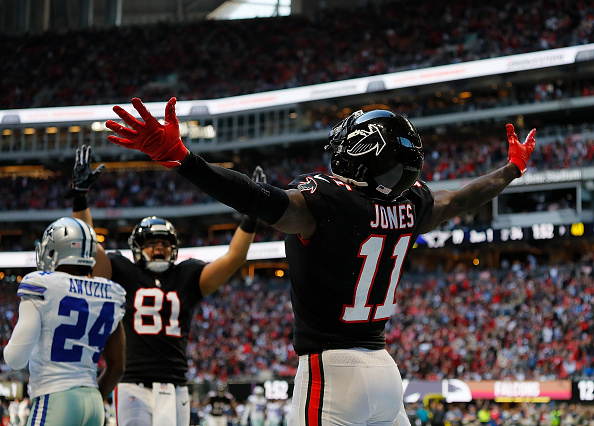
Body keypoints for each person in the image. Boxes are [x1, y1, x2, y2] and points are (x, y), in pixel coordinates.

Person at [105, 97, 536, 425]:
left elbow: (257, 197)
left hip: (331, 372)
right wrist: (510, 170)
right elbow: (461, 198)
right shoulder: (413, 204)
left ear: (362, 153)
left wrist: (185, 160)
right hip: (385, 371)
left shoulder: (329, 201)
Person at [70, 145, 261, 426]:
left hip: (175, 384)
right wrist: (79, 197)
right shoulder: (123, 270)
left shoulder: (187, 275)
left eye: (164, 243)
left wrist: (252, 214)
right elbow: (89, 248)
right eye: (151, 243)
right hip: (132, 382)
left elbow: (234, 258)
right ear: (137, 248)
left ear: (174, 249)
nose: (158, 248)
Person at [3, 217, 126, 426]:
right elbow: (118, 366)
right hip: (94, 401)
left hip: (55, 398)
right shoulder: (112, 292)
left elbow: (15, 359)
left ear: (54, 250)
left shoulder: (42, 283)